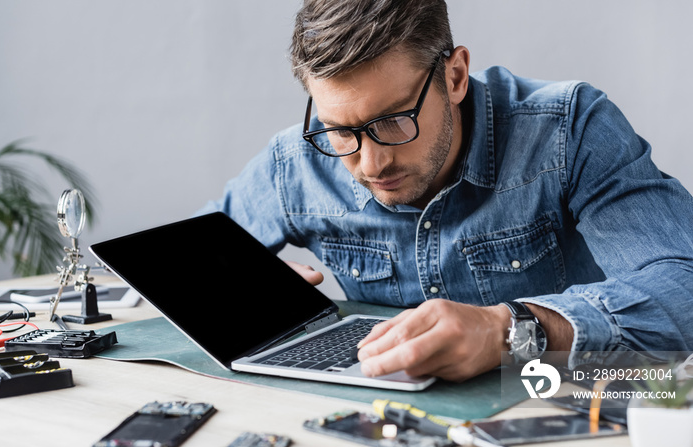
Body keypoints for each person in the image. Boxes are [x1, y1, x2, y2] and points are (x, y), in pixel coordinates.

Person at [200, 0, 693, 382]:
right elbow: (177, 256)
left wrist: (512, 331)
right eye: (340, 130)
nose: (370, 165)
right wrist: (240, 274)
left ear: (454, 76)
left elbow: (681, 283)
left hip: (561, 402)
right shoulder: (297, 162)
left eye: (394, 120)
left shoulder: (570, 129)